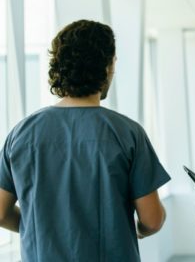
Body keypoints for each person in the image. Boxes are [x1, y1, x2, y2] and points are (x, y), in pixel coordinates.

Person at [0, 20, 171, 261]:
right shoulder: (128, 134)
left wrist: (39, 231)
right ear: (106, 68)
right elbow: (152, 220)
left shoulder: (21, 134)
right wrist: (139, 232)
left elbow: (0, 212)